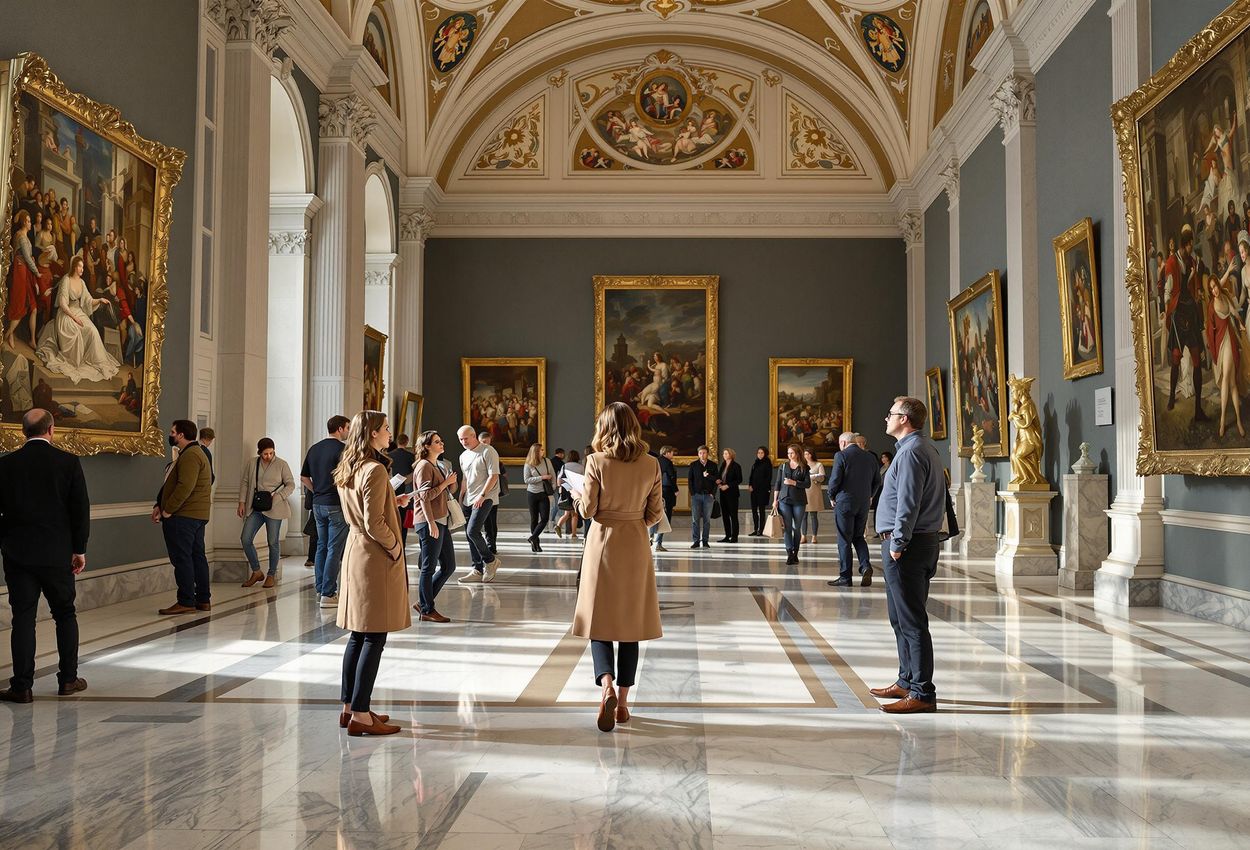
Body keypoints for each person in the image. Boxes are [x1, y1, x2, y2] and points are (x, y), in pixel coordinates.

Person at [567, 403, 665, 732]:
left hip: (603, 543)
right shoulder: (651, 463)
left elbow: (588, 509)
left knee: (600, 621)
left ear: (603, 427)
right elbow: (654, 514)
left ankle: (605, 684)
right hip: (635, 543)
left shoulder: (596, 461)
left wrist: (578, 495)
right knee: (630, 625)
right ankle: (622, 704)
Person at [0, 409, 90, 703]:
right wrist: (79, 550)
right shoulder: (67, 462)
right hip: (57, 553)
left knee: (23, 618)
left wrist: (6, 542)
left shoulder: (7, 464)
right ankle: (67, 680)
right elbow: (80, 511)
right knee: (65, 614)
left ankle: (22, 686)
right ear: (51, 429)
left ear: (23, 432)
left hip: (18, 553)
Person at [333, 411, 411, 736]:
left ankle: (350, 707)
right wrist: (395, 547)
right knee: (375, 635)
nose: (390, 433)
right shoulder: (376, 469)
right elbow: (374, 523)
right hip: (374, 556)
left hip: (355, 550)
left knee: (358, 633)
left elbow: (365, 514)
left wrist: (395, 501)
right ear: (373, 434)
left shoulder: (349, 467)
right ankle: (362, 715)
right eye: (386, 428)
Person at [872, 397, 947, 714]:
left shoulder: (913, 452)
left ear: (904, 419)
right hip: (913, 543)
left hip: (908, 545)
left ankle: (922, 692)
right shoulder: (918, 448)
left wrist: (898, 543)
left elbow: (909, 502)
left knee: (912, 620)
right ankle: (906, 679)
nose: (886, 418)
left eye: (890, 414)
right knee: (899, 618)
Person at [153, 420, 214, 615]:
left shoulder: (190, 455)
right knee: (196, 557)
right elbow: (172, 483)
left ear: (180, 435)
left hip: (184, 515)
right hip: (194, 515)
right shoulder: (193, 453)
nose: (170, 435)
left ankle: (186, 600)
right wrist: (158, 504)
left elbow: (184, 486)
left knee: (183, 558)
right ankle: (203, 599)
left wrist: (168, 510)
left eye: (172, 432)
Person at [34, 256, 120, 384]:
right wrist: (74, 319)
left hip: (78, 311)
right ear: (74, 267)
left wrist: (100, 300)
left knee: (92, 331)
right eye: (80, 266)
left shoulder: (82, 282)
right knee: (75, 333)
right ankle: (75, 362)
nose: (82, 269)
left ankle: (98, 361)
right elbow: (63, 304)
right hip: (65, 313)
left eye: (83, 267)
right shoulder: (66, 280)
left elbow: (88, 301)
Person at [302, 416, 351, 608]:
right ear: (340, 429)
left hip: (318, 504)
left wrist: (317, 490)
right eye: (347, 428)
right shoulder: (344, 450)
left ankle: (320, 587)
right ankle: (329, 593)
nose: (348, 431)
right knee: (334, 548)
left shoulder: (314, 448)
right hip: (336, 503)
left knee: (322, 545)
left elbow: (304, 477)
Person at [412, 431, 458, 623]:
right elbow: (424, 497)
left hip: (441, 519)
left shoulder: (436, 465)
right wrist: (431, 523)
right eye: (437, 442)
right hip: (428, 521)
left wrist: (450, 482)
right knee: (428, 567)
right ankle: (427, 608)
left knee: (449, 566)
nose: (441, 444)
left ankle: (423, 602)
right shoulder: (423, 466)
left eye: (441, 440)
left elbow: (446, 492)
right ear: (427, 446)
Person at [237, 437, 296, 588]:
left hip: (275, 508)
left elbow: (290, 484)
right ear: (260, 452)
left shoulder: (282, 464)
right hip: (256, 507)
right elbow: (245, 482)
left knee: (273, 542)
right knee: (245, 538)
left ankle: (271, 574)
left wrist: (279, 496)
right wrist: (242, 502)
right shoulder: (252, 463)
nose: (268, 456)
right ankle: (256, 571)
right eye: (265, 454)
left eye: (271, 453)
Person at [826, 431, 881, 588]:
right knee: (858, 537)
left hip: (844, 502)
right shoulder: (870, 457)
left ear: (843, 443)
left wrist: (831, 496)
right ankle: (865, 566)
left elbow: (835, 479)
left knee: (844, 539)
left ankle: (845, 577)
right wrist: (870, 495)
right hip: (863, 503)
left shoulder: (841, 455)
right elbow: (877, 480)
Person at [457, 425, 502, 583]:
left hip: (486, 497)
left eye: (466, 438)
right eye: (461, 439)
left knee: (473, 531)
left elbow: (494, 475)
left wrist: (482, 495)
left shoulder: (488, 451)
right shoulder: (463, 456)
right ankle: (477, 569)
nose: (463, 442)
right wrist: (461, 497)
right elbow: (465, 479)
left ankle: (490, 561)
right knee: (469, 536)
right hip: (468, 498)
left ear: (474, 435)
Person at [5, 211, 39, 349]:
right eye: (29, 221)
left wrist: (30, 259)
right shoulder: (22, 237)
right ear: (25, 222)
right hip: (21, 271)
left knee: (27, 305)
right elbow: (24, 256)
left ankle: (25, 338)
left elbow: (24, 255)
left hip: (22, 270)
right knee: (18, 302)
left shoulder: (21, 235)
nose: (31, 223)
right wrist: (37, 272)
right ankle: (8, 334)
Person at [773, 443, 810, 565]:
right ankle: (789, 553)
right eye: (788, 453)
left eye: (792, 453)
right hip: (784, 500)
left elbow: (807, 484)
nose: (789, 455)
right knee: (788, 528)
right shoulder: (783, 466)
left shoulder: (804, 466)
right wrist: (775, 500)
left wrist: (794, 483)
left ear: (797, 453)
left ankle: (796, 553)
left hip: (799, 501)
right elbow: (778, 483)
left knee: (796, 528)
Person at [523, 443, 556, 553]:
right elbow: (526, 480)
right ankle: (535, 544)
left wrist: (553, 487)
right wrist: (542, 477)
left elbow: (553, 475)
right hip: (532, 494)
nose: (543, 451)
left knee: (545, 518)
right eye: (541, 450)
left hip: (543, 494)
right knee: (534, 519)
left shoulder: (547, 461)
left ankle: (532, 537)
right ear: (536, 452)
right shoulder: (528, 464)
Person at [478, 431, 505, 556]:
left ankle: (491, 545)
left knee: (491, 522)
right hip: (479, 493)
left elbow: (499, 474)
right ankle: (486, 545)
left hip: (491, 493)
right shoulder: (477, 454)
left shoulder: (493, 454)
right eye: (484, 443)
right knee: (484, 522)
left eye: (488, 443)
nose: (486, 446)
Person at [688, 445, 718, 549]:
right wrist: (692, 493)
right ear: (698, 454)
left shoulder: (713, 465)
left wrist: (713, 494)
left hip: (708, 496)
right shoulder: (693, 465)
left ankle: (705, 541)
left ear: (707, 454)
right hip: (696, 495)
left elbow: (716, 481)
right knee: (695, 520)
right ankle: (696, 541)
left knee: (707, 520)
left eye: (704, 453)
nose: (702, 455)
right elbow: (690, 480)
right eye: (700, 453)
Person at [390, 433, 416, 547]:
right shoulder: (411, 456)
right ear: (407, 442)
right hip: (405, 489)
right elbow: (414, 473)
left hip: (392, 488)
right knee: (403, 519)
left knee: (392, 517)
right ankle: (402, 542)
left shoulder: (389, 455)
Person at [649, 446, 677, 552]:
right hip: (667, 492)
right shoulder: (668, 463)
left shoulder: (655, 461)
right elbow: (671, 477)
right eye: (672, 452)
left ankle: (650, 538)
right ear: (667, 453)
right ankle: (658, 543)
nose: (673, 454)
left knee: (654, 515)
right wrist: (676, 490)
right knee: (664, 517)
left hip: (654, 492)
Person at [555, 449, 584, 541]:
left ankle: (558, 525)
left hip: (566, 490)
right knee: (575, 514)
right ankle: (574, 534)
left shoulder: (564, 466)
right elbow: (584, 480)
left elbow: (559, 481)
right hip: (576, 491)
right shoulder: (581, 467)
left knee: (566, 513)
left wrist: (565, 487)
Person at [800, 447, 825, 544]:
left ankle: (814, 536)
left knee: (814, 516)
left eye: (808, 454)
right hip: (803, 492)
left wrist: (813, 477)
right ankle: (803, 536)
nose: (807, 456)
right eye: (805, 454)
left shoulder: (819, 464)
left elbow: (822, 477)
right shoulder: (801, 464)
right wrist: (813, 476)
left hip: (814, 492)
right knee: (803, 516)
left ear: (812, 454)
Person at [717, 448, 742, 542]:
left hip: (732, 494)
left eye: (726, 453)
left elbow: (739, 480)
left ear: (731, 455)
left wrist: (727, 486)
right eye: (723, 453)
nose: (724, 455)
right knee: (725, 515)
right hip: (723, 493)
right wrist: (719, 483)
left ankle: (734, 536)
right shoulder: (723, 465)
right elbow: (719, 477)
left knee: (733, 515)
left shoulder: (736, 466)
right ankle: (727, 536)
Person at [747, 446, 772, 536]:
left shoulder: (767, 463)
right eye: (758, 453)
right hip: (753, 490)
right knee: (754, 510)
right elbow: (751, 476)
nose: (760, 454)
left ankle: (761, 529)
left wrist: (757, 487)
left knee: (761, 510)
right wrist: (750, 485)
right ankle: (755, 528)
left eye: (762, 453)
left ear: (765, 453)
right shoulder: (755, 463)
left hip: (763, 490)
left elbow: (767, 479)